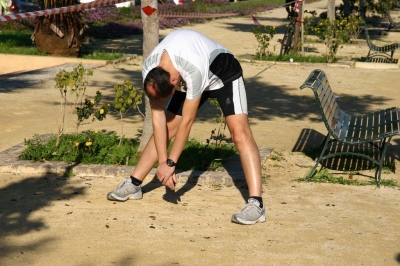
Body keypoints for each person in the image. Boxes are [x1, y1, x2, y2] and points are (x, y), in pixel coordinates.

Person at [107, 29, 265, 225]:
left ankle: (256, 204)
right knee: (168, 123)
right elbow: (158, 121)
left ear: (174, 82)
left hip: (223, 74)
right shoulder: (150, 72)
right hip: (188, 73)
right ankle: (134, 183)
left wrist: (171, 164)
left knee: (239, 133)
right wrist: (163, 162)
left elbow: (187, 123)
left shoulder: (192, 70)